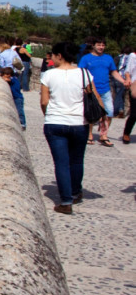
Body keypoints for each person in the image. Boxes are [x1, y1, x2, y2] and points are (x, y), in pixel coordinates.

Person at [41, 41, 98, 215]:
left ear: (59, 56)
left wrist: (50, 115)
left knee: (61, 163)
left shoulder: (48, 75)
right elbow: (93, 96)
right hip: (78, 123)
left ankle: (65, 202)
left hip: (55, 123)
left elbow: (44, 102)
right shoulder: (84, 74)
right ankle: (75, 192)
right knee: (76, 160)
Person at [78, 38, 128, 146]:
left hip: (105, 90)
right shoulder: (86, 58)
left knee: (109, 112)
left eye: (103, 45)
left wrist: (123, 81)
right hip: (91, 91)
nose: (101, 47)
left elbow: (113, 72)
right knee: (91, 113)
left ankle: (103, 135)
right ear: (94, 45)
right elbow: (80, 73)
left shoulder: (108, 58)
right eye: (99, 45)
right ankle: (89, 135)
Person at [121, 46, 136, 143]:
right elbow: (127, 71)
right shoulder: (133, 56)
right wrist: (128, 81)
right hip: (135, 85)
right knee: (134, 114)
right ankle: (126, 133)